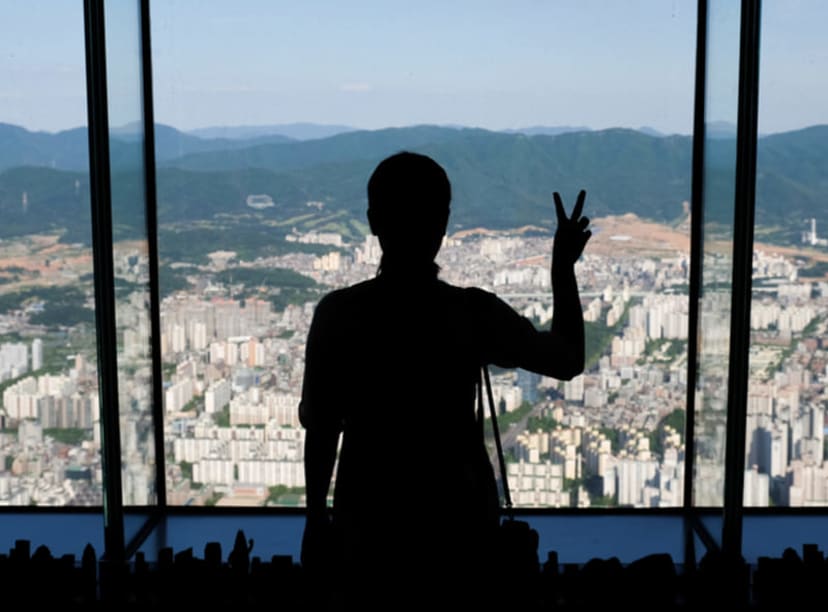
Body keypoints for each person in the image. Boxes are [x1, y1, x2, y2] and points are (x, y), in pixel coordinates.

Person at [299, 151, 591, 608]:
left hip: (368, 527)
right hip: (459, 528)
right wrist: (562, 268)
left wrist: (316, 520)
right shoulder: (470, 312)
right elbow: (567, 359)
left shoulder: (338, 315)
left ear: (374, 222)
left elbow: (321, 431)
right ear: (444, 224)